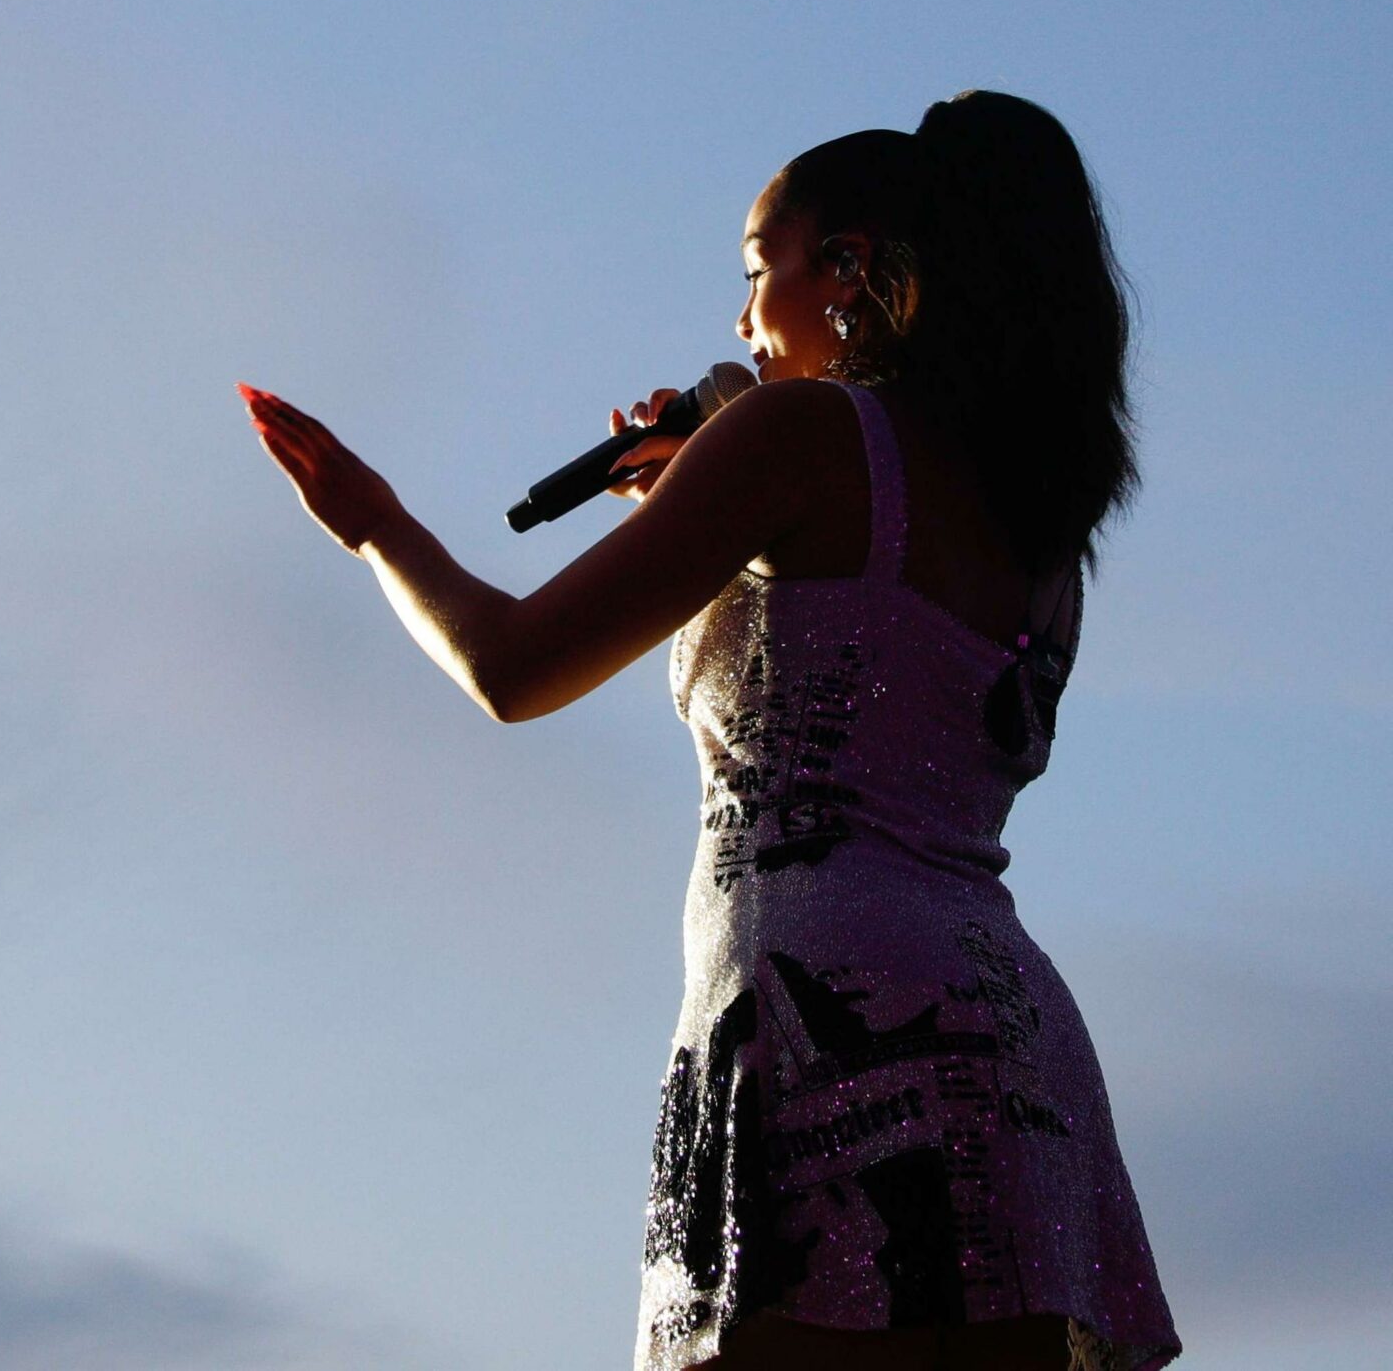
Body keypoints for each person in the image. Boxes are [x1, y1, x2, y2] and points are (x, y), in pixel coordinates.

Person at [241, 91, 1181, 1371]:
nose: (741, 319)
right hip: (1013, 1058)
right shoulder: (1041, 534)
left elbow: (510, 666)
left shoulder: (797, 438)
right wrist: (713, 463)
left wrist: (374, 523)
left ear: (850, 270)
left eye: (760, 274)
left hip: (817, 1020)